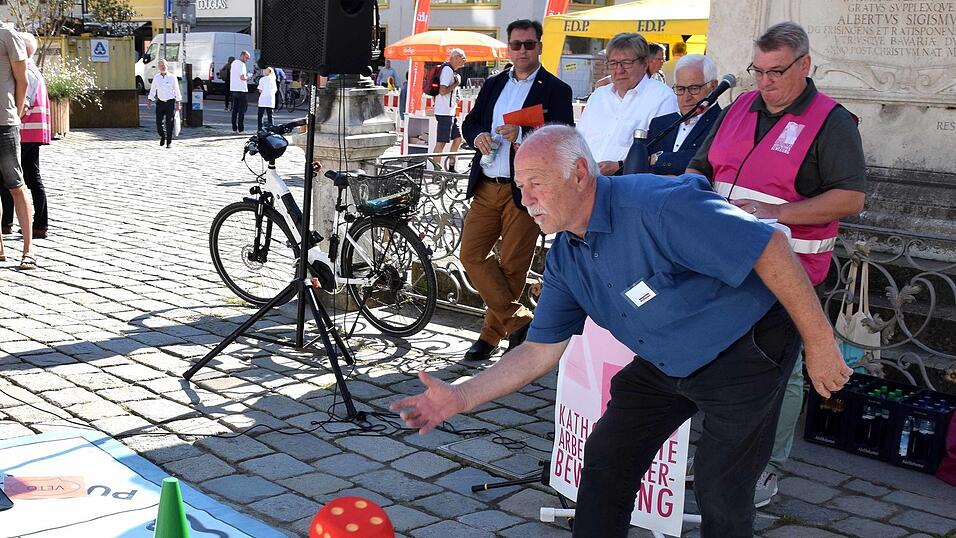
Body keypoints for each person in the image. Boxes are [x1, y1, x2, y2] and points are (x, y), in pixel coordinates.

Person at [391, 124, 853, 537]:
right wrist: (461, 396)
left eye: (536, 184)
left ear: (578, 175)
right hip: (664, 359)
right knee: (607, 460)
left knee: (722, 492)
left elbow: (770, 244)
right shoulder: (565, 256)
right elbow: (538, 350)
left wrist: (819, 344)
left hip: (745, 347)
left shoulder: (659, 204)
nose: (525, 199)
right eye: (519, 186)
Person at [687, 21, 866, 507]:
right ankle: (711, 452)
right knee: (711, 359)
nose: (764, 82)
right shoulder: (739, 106)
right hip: (721, 262)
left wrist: (779, 213)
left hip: (789, 273)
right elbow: (701, 168)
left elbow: (850, 199)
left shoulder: (832, 122)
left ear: (805, 67)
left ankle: (767, 466)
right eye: (757, 71)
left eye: (776, 72)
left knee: (778, 374)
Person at [458, 19, 574, 361]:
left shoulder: (556, 90)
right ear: (507, 48)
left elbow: (562, 139)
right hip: (486, 183)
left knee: (513, 267)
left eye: (528, 44)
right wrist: (475, 135)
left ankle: (489, 337)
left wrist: (522, 137)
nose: (521, 50)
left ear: (539, 46)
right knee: (471, 254)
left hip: (526, 190)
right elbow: (470, 121)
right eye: (516, 44)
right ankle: (519, 321)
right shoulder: (494, 84)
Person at [576, 33, 677, 176]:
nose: (619, 70)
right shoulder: (598, 96)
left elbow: (661, 153)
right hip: (587, 182)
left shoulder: (662, 97)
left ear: (644, 63)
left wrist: (620, 166)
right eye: (613, 63)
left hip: (628, 185)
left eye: (626, 63)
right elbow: (579, 141)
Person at [622, 54, 720, 175]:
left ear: (713, 86)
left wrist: (659, 159)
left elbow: (708, 160)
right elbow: (641, 166)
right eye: (680, 89)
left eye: (694, 88)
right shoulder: (661, 124)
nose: (686, 97)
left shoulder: (723, 122)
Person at [1, 32, 49, 240]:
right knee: (27, 177)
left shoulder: (27, 71)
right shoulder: (33, 69)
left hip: (25, 131)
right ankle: (27, 223)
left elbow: (24, 103)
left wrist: (15, 118)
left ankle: (30, 224)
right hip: (32, 131)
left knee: (16, 179)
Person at [0, 23, 34, 270]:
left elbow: (22, 80)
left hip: (4, 123)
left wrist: (17, 113)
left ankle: (28, 250)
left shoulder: (7, 35)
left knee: (16, 185)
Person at [432, 48, 467, 173]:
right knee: (441, 142)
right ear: (455, 58)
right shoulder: (447, 70)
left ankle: (451, 166)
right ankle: (436, 170)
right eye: (463, 57)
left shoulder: (451, 71)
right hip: (444, 112)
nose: (465, 60)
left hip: (449, 112)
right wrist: (456, 84)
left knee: (458, 139)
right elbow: (442, 91)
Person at [146, 58, 181, 148]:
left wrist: (178, 102)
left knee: (169, 123)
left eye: (164, 65)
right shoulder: (157, 77)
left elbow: (177, 90)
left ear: (167, 66)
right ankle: (162, 135)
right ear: (158, 67)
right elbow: (153, 89)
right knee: (158, 124)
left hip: (170, 102)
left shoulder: (172, 77)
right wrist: (150, 100)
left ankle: (169, 142)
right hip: (160, 102)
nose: (162, 67)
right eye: (161, 65)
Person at [230, 51, 250, 133]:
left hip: (234, 88)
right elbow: (242, 77)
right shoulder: (242, 64)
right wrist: (249, 76)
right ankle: (241, 129)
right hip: (242, 89)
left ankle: (234, 128)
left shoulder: (234, 62)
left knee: (234, 109)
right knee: (242, 110)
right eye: (246, 57)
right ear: (242, 55)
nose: (247, 60)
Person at [257, 66, 277, 131]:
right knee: (270, 115)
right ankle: (271, 129)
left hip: (263, 98)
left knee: (260, 115)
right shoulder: (273, 79)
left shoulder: (262, 79)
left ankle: (260, 129)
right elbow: (275, 90)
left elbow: (260, 90)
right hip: (270, 99)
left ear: (266, 71)